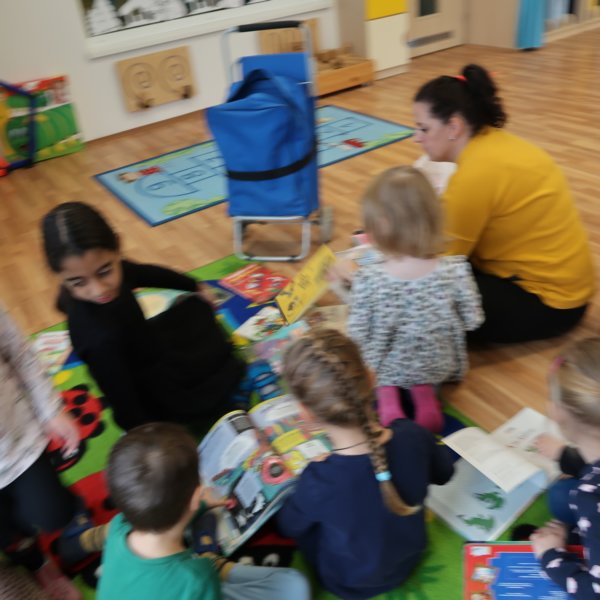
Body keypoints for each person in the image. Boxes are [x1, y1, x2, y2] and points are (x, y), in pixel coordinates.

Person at [41, 201, 278, 432]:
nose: (99, 290)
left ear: (117, 247)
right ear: (60, 277)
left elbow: (145, 273)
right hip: (149, 386)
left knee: (195, 307)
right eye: (78, 283)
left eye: (105, 272)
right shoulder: (97, 340)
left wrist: (194, 285)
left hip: (150, 343)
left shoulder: (111, 272)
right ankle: (232, 396)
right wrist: (146, 433)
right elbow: (122, 398)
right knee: (213, 388)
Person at [413, 63, 594, 343]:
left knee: (415, 304)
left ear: (454, 126)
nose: (417, 138)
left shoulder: (474, 174)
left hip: (550, 303)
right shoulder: (494, 143)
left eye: (424, 128)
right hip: (569, 288)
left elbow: (437, 261)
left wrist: (373, 270)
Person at [276, 328, 455, 599]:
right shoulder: (413, 435)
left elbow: (288, 526)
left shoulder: (318, 481)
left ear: (306, 414)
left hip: (348, 583)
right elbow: (444, 472)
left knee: (305, 523)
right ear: (372, 378)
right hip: (409, 556)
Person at [98, 421, 310, 600]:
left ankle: (211, 558)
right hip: (193, 581)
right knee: (294, 584)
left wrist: (199, 504)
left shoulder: (117, 528)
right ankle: (210, 556)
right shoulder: (196, 578)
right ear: (195, 497)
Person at [346, 166, 483, 432]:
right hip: (439, 363)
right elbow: (473, 320)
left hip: (387, 366)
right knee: (422, 375)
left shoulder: (369, 278)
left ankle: (388, 401)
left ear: (381, 226)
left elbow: (357, 333)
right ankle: (425, 397)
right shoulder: (456, 269)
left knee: (379, 369)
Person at [0, 303, 103, 600]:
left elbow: (18, 352)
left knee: (53, 513)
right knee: (7, 533)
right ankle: (38, 564)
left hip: (21, 444)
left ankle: (71, 510)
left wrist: (51, 410)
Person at [529, 337, 600, 596]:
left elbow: (594, 592)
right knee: (561, 495)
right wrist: (563, 454)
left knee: (563, 496)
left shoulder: (591, 495)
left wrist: (551, 556)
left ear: (556, 412)